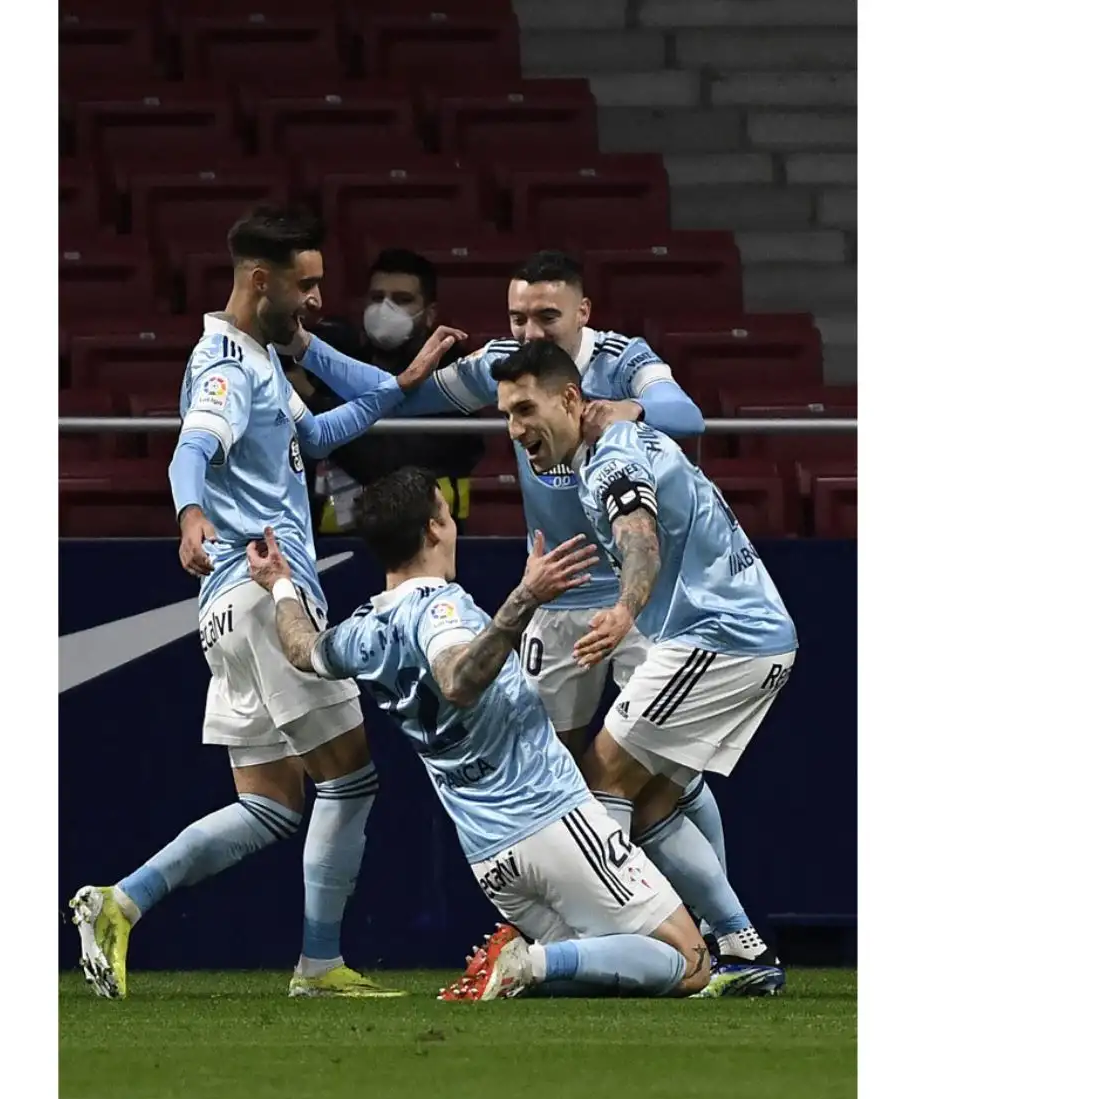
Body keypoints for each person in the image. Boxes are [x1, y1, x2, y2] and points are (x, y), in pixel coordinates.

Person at [282, 250, 739, 935]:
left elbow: (687, 416)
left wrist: (626, 409)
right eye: (518, 316)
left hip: (640, 600)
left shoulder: (622, 356)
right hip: (554, 601)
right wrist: (303, 347)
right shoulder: (503, 362)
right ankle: (595, 931)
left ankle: (713, 928)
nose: (529, 332)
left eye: (546, 317)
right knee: (546, 776)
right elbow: (403, 391)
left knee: (668, 776)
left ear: (583, 313)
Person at [66, 206, 453, 1000]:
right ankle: (318, 966)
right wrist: (191, 513)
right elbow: (192, 448)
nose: (318, 298)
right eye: (305, 285)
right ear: (257, 280)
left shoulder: (262, 356)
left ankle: (120, 902)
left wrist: (387, 381)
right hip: (263, 595)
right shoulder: (227, 367)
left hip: (230, 609)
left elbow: (314, 437)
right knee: (351, 781)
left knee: (272, 805)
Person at [243, 467, 715, 1001]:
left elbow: (303, 649)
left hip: (489, 857)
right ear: (432, 530)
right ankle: (526, 959)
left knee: (601, 973)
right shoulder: (441, 609)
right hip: (553, 822)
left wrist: (279, 583)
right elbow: (456, 679)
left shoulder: (362, 631)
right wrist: (524, 599)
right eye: (446, 512)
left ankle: (526, 965)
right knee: (691, 961)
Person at [490, 340, 799, 998]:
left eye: (525, 409)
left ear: (571, 399)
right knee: (653, 797)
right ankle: (741, 946)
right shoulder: (612, 437)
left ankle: (610, 943)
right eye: (506, 416)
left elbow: (638, 535)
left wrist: (625, 610)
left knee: (601, 774)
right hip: (737, 635)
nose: (516, 430)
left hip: (723, 639)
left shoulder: (610, 463)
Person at [291, 249, 483, 532]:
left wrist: (313, 399)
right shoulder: (344, 361)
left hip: (420, 540)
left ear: (429, 315)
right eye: (377, 298)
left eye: (402, 300)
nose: (385, 309)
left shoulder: (454, 377)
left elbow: (388, 465)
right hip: (336, 542)